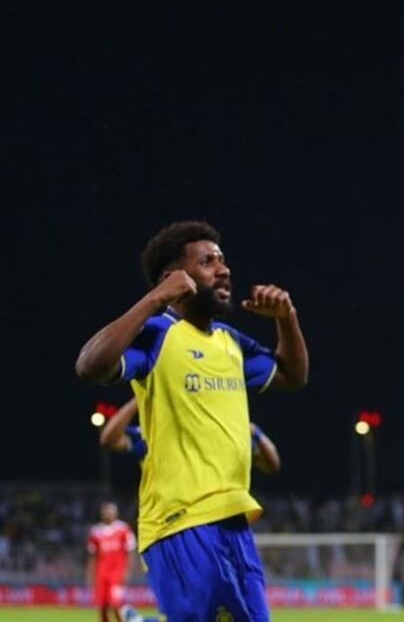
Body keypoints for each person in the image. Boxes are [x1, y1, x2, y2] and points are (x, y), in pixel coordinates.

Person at [75, 221, 309, 621]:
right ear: (174, 278)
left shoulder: (229, 341)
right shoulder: (157, 333)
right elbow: (89, 365)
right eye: (207, 262)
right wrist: (154, 299)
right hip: (180, 521)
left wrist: (286, 318)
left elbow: (292, 376)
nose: (224, 269)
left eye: (222, 260)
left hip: (233, 519)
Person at [100, 397, 283, 475]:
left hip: (217, 518)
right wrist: (140, 398)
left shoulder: (218, 430)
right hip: (169, 521)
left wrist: (255, 432)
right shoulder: (150, 434)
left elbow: (272, 465)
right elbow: (109, 439)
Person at [87, 502, 135, 622]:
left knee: (116, 604)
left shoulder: (123, 529)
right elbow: (93, 556)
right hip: (101, 574)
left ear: (115, 513)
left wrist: (128, 571)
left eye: (110, 511)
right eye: (105, 511)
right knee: (102, 606)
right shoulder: (95, 531)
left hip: (117, 573)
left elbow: (131, 551)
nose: (107, 513)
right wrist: (90, 575)